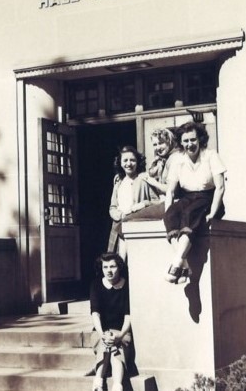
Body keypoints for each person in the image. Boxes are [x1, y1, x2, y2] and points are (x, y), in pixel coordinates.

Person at [163, 121, 226, 284]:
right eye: (186, 141)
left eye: (193, 140)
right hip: (187, 198)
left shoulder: (211, 155)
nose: (190, 144)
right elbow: (170, 191)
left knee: (189, 213)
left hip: (208, 198)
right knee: (171, 215)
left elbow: (220, 187)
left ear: (200, 139)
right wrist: (167, 211)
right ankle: (183, 264)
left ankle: (176, 263)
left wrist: (212, 212)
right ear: (181, 142)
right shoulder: (177, 159)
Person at [89, 252, 136, 391]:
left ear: (119, 267)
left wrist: (120, 335)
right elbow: (95, 313)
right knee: (107, 344)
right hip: (100, 331)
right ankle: (116, 385)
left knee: (116, 346)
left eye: (112, 266)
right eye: (105, 267)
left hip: (122, 331)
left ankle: (101, 381)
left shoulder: (127, 286)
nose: (109, 270)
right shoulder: (96, 285)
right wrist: (102, 334)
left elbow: (128, 315)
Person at [107, 145, 157, 261]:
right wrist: (118, 215)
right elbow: (113, 207)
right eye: (125, 160)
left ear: (137, 162)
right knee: (119, 261)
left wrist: (144, 204)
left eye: (132, 160)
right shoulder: (118, 182)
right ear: (120, 163)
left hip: (137, 225)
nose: (129, 164)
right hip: (119, 227)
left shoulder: (144, 180)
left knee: (136, 260)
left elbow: (156, 201)